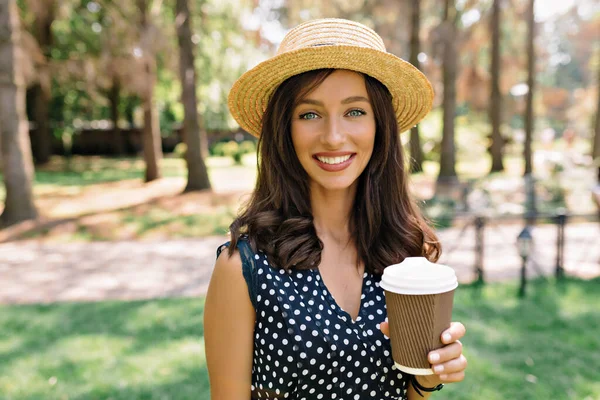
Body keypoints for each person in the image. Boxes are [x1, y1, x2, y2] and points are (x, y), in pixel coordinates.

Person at [205, 18, 468, 400]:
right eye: (309, 114)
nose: (333, 136)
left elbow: (411, 392)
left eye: (355, 111)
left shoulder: (409, 255)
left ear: (380, 127)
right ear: (285, 129)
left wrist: (427, 377)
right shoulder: (243, 268)